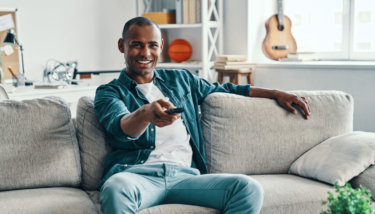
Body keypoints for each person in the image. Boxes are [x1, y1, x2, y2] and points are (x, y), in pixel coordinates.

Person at [94, 16, 310, 214]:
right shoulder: (109, 92)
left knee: (247, 188)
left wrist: (275, 93)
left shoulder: (181, 80)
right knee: (115, 189)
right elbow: (120, 127)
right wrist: (146, 113)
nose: (145, 53)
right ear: (122, 45)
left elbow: (228, 90)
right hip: (136, 177)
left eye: (152, 45)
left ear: (161, 46)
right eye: (136, 45)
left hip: (185, 177)